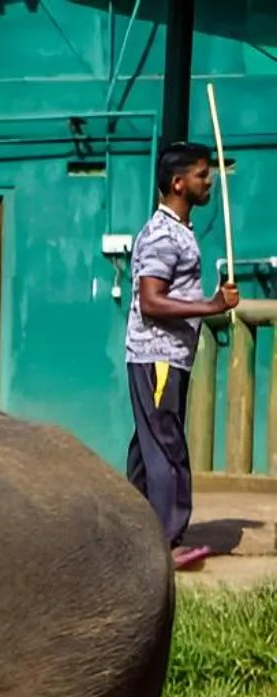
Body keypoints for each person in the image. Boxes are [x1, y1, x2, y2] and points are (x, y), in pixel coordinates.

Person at [125, 141, 239, 571]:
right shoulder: (162, 234)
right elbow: (152, 301)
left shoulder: (180, 231)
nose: (208, 180)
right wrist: (211, 306)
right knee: (165, 446)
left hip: (168, 356)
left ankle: (129, 531)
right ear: (178, 183)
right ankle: (166, 543)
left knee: (147, 445)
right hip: (157, 357)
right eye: (201, 174)